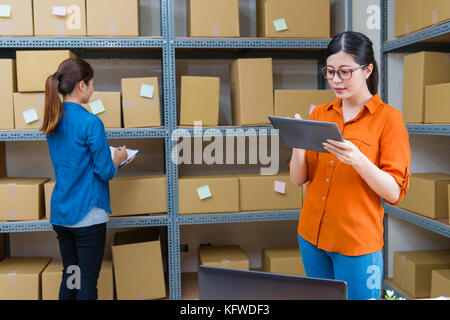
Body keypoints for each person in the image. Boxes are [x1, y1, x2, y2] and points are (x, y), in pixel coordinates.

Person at [289, 31, 411, 300]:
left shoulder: (389, 120)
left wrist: (358, 160)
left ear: (367, 70)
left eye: (345, 72)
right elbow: (298, 179)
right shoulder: (320, 114)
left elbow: (394, 193)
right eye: (330, 72)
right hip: (311, 237)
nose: (336, 80)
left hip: (357, 245)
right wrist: (297, 145)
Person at [41, 57, 134, 300]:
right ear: (82, 85)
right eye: (92, 84)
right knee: (87, 282)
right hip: (87, 217)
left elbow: (75, 159)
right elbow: (104, 171)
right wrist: (118, 158)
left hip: (62, 214)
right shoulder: (91, 122)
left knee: (71, 276)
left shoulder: (53, 120)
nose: (93, 89)